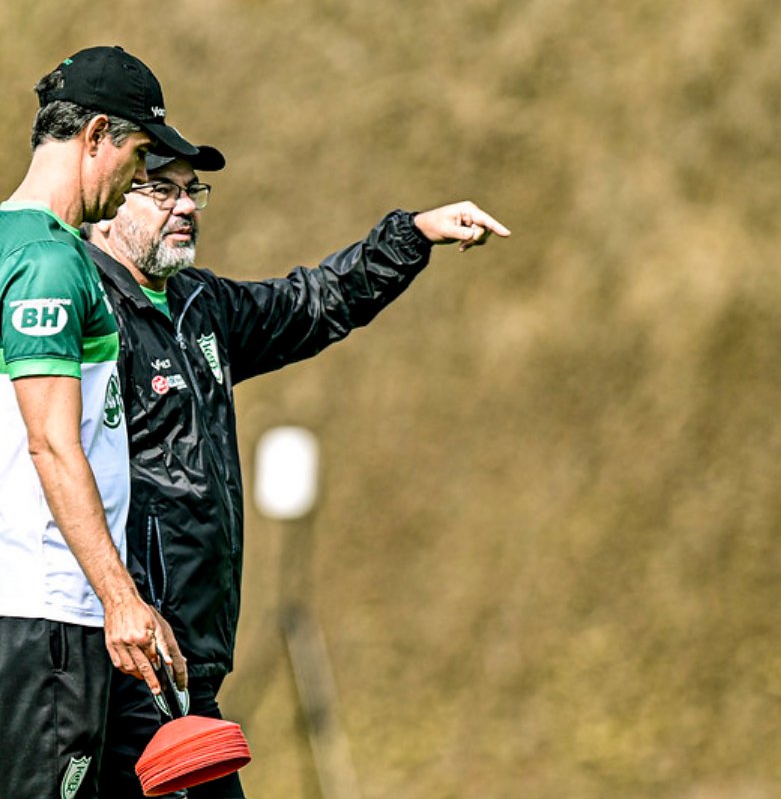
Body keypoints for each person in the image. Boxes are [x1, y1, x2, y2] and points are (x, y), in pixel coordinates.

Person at [82, 148, 511, 797]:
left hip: (189, 668)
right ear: (110, 201)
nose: (188, 206)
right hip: (124, 658)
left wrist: (414, 234)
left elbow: (314, 302)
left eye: (192, 190)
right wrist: (125, 604)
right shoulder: (84, 310)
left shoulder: (201, 303)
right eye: (162, 191)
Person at [0, 46, 205, 799]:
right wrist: (119, 597)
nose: (140, 174)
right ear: (97, 135)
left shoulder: (9, 239)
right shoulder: (49, 261)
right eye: (139, 153)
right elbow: (53, 443)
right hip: (49, 601)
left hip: (54, 600)